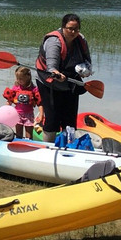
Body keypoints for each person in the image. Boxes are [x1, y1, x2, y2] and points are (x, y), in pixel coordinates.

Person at [35, 13, 92, 143]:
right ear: (63, 27)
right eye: (70, 28)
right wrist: (57, 74)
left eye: (76, 29)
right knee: (53, 118)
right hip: (48, 82)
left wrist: (86, 71)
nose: (73, 32)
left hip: (70, 81)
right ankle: (48, 147)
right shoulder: (53, 41)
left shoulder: (81, 40)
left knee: (70, 119)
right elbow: (51, 67)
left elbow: (88, 61)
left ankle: (68, 145)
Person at [2, 66, 41, 139]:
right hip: (17, 114)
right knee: (18, 134)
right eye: (17, 78)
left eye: (21, 79)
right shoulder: (16, 88)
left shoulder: (33, 89)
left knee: (29, 135)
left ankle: (28, 146)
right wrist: (6, 110)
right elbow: (10, 100)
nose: (18, 80)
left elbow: (39, 102)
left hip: (29, 115)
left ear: (27, 77)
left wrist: (41, 114)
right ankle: (18, 145)